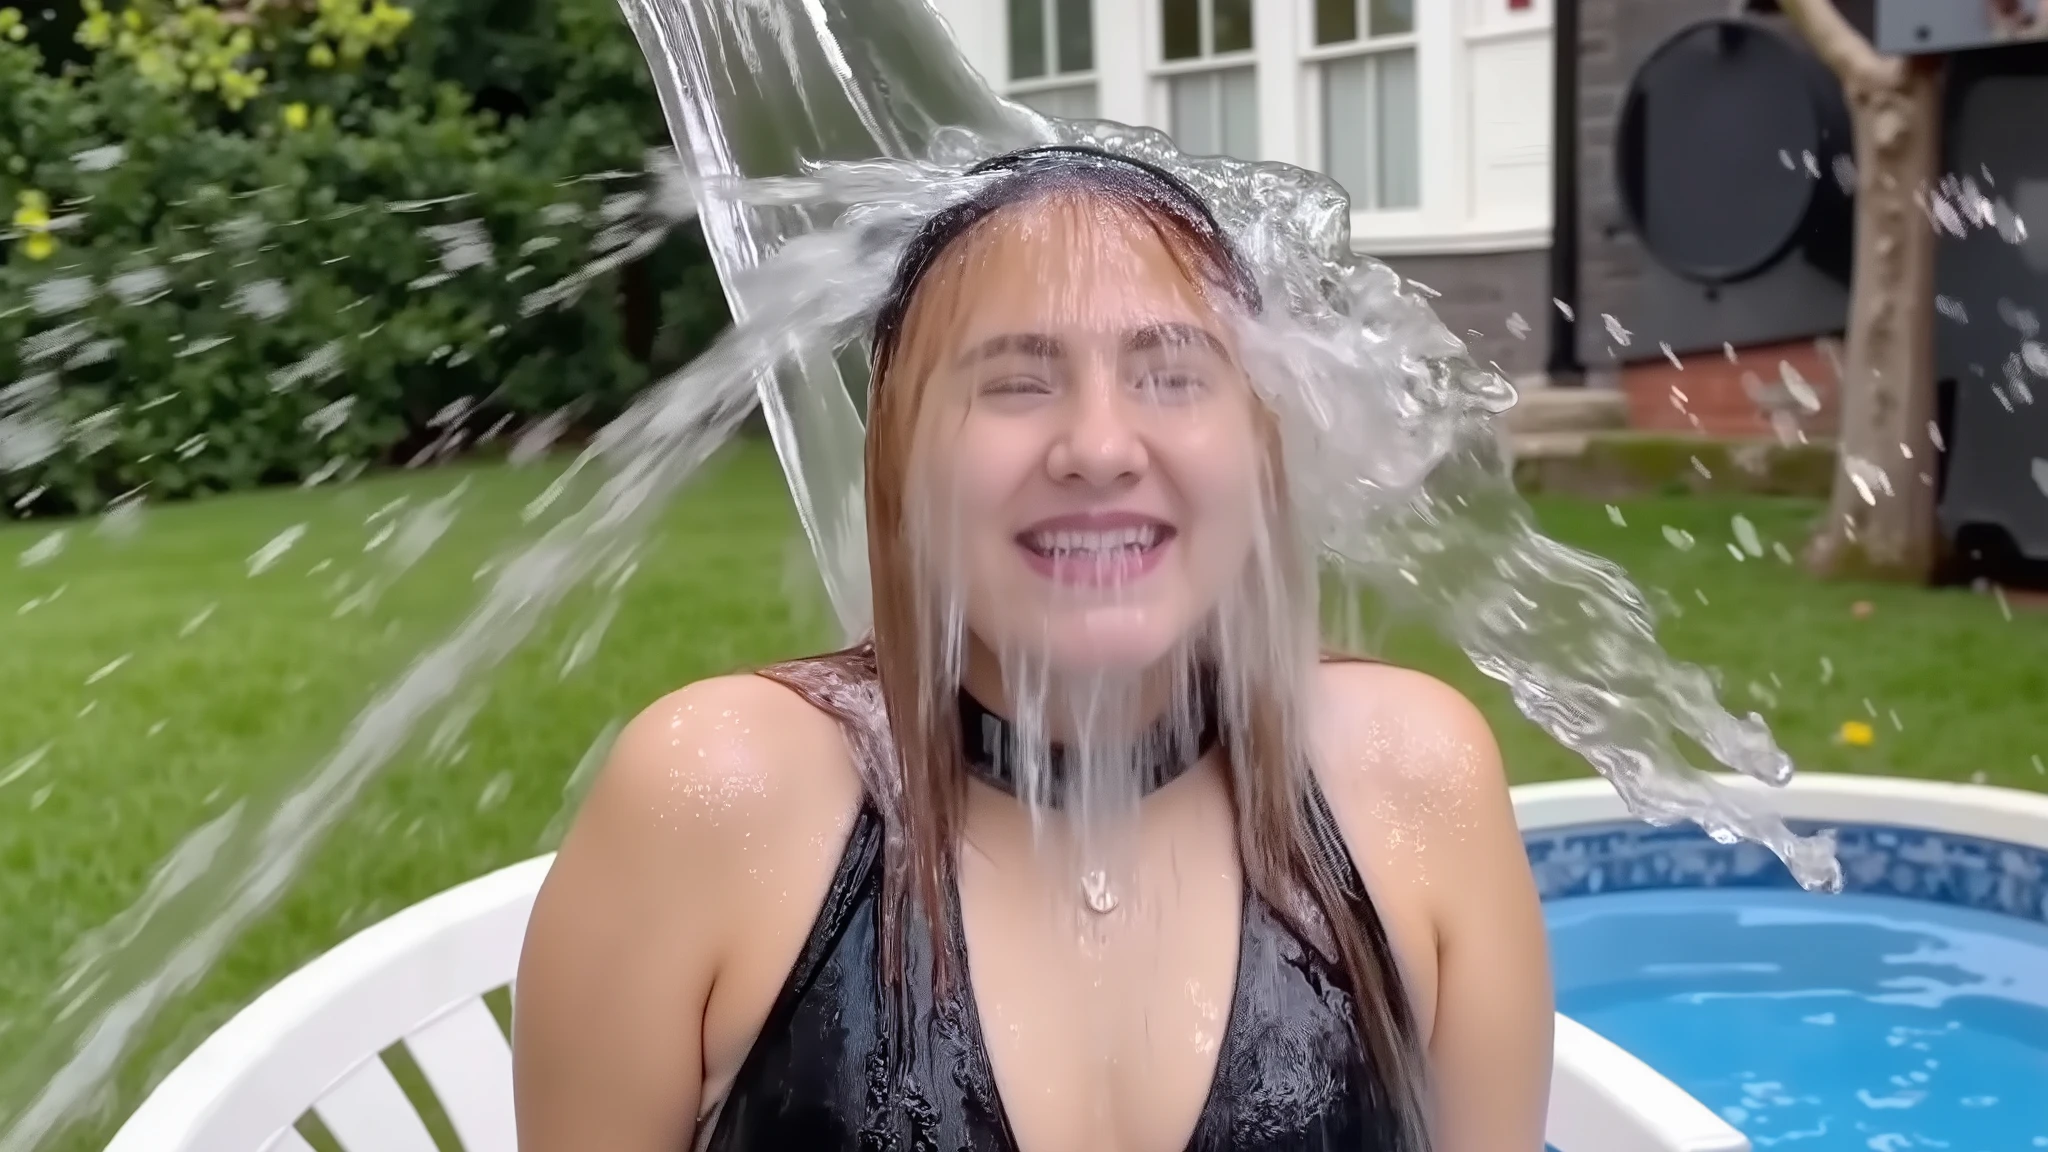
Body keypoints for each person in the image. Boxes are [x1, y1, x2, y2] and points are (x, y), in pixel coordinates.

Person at [511, 145, 1552, 1152]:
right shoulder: (716, 803)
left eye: (1171, 375)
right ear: (901, 463)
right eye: (1015, 382)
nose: (1098, 448)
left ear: (1258, 447)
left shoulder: (1410, 782)